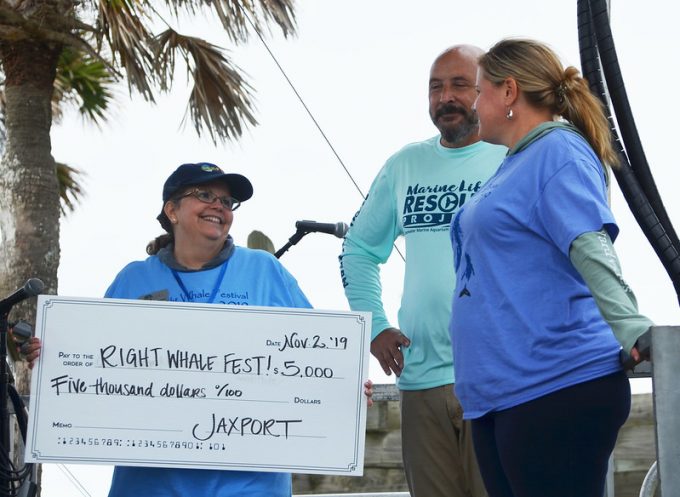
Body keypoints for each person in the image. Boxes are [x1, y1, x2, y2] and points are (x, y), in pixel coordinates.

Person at [24, 162, 373, 497]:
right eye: (204, 195)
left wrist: (347, 382)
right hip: (148, 488)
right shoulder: (133, 279)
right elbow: (90, 364)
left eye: (226, 201)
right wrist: (50, 356)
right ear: (172, 211)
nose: (218, 206)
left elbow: (318, 359)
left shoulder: (265, 270)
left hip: (251, 488)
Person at [449, 38, 653, 497]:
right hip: (500, 395)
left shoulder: (558, 151)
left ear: (509, 92)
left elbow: (589, 243)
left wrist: (632, 325)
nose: (473, 103)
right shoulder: (514, 164)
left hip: (554, 387)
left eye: (480, 90)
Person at [339, 46, 506, 497]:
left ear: (485, 91)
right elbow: (356, 249)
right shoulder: (404, 166)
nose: (445, 97)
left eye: (458, 85)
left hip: (500, 376)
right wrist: (374, 325)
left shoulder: (514, 157)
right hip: (420, 382)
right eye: (435, 87)